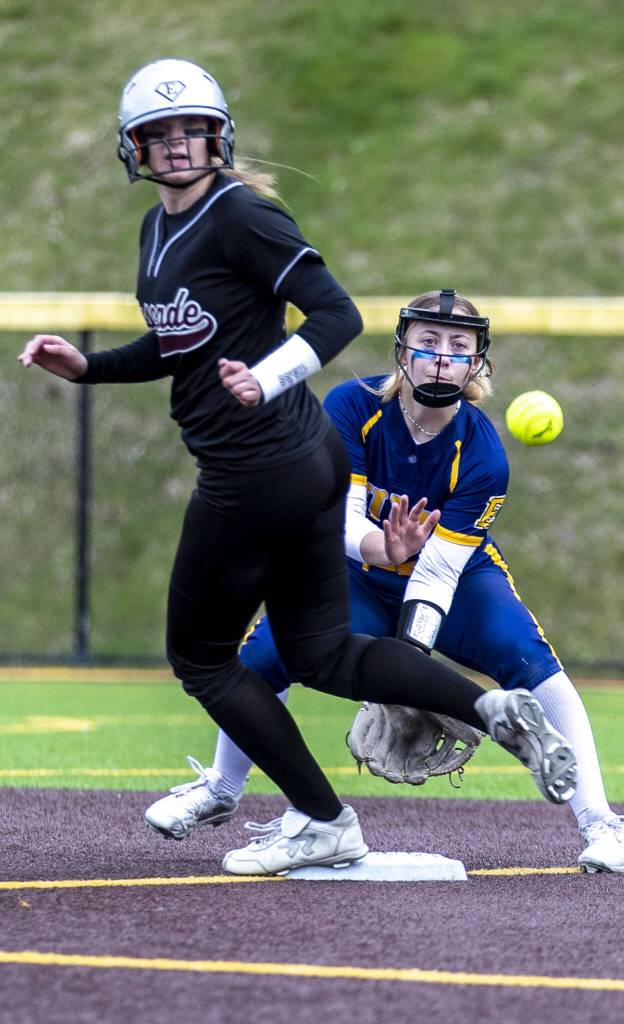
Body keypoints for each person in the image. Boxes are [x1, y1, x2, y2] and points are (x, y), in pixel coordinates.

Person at [18, 59, 577, 877]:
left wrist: (268, 375)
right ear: (132, 147)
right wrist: (91, 368)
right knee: (318, 651)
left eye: (192, 129)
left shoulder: (241, 214)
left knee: (202, 659)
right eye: (157, 133)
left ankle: (320, 818)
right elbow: (180, 344)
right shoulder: (157, 229)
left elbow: (337, 312)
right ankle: (489, 707)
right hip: (301, 460)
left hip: (258, 467)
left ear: (220, 136)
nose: (176, 145)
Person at [146, 288, 624, 874]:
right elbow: (341, 515)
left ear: (479, 361)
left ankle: (600, 822)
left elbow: (439, 571)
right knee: (263, 656)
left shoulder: (482, 456)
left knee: (532, 664)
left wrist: (405, 669)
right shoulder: (351, 406)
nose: (442, 358)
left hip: (456, 576)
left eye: (459, 346)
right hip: (353, 566)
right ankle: (222, 788)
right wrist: (382, 546)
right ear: (402, 347)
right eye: (429, 342)